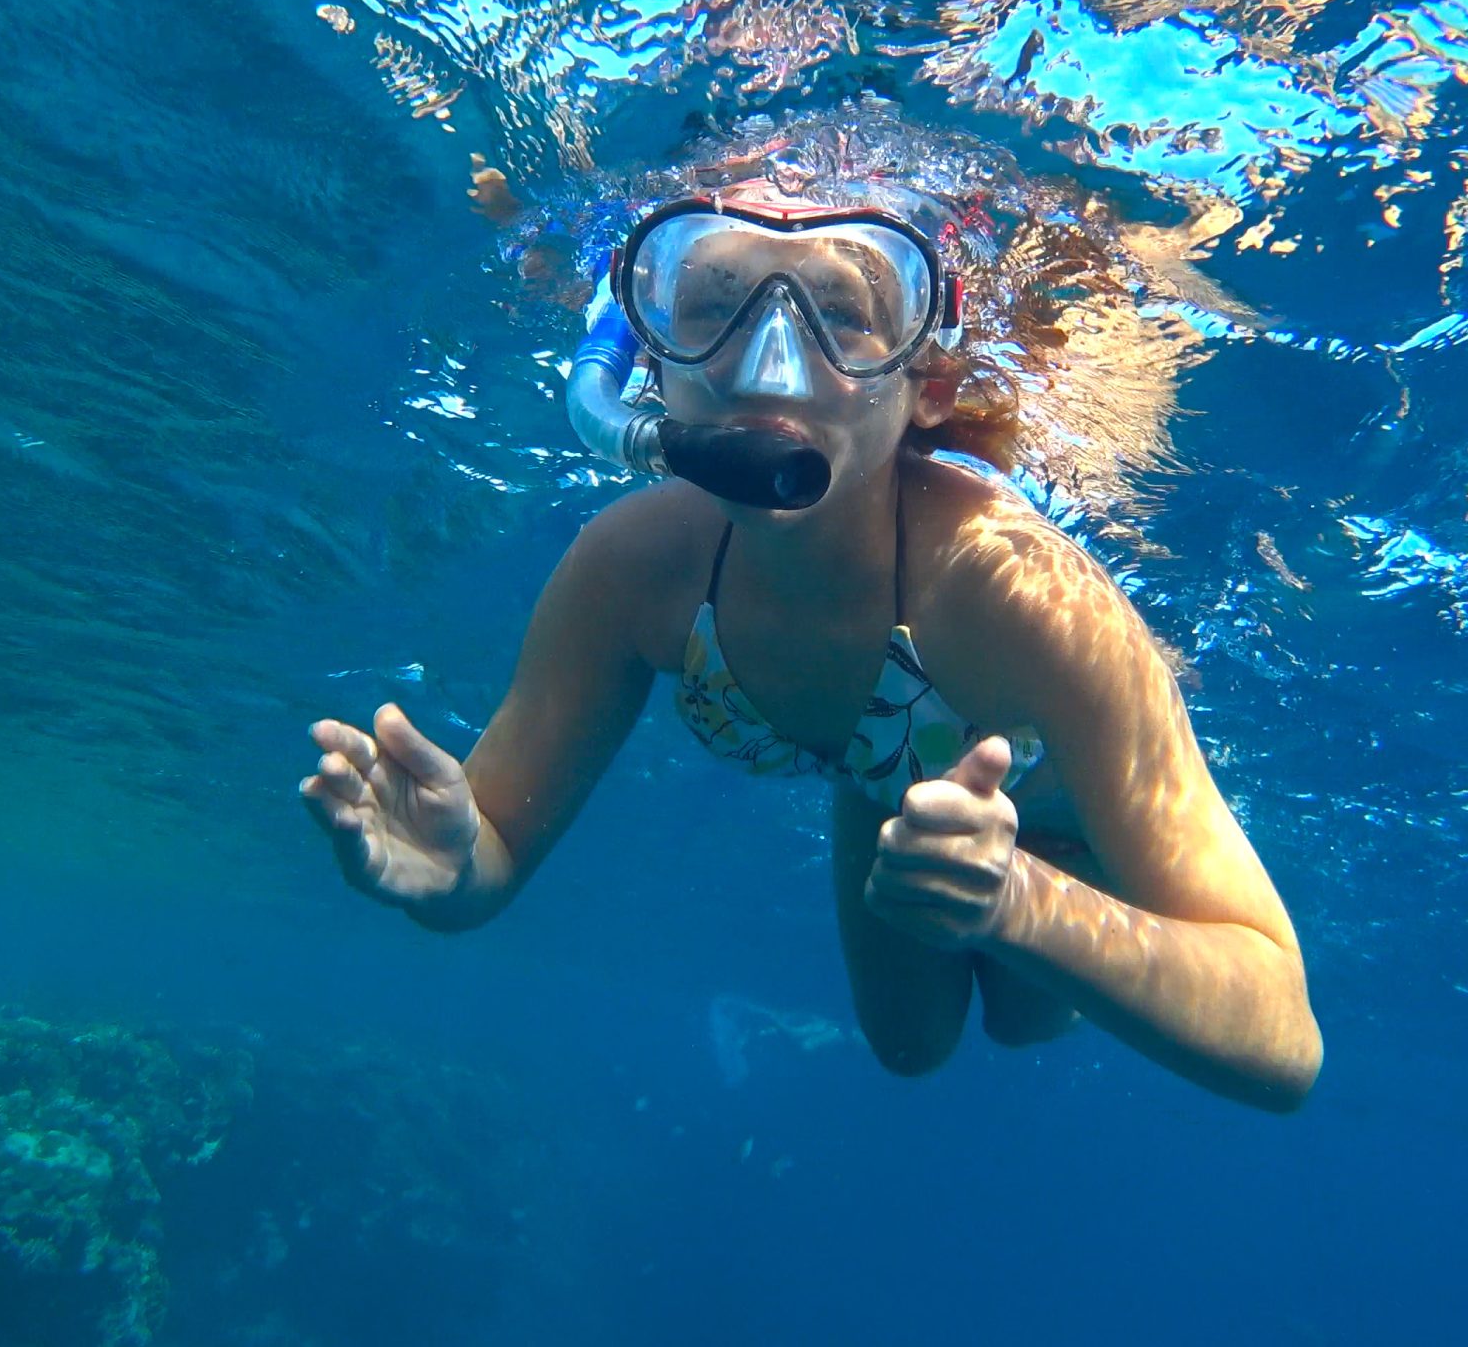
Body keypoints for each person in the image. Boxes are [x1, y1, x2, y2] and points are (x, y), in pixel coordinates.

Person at [301, 140, 1321, 1111]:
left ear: (929, 386)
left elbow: (1282, 1038)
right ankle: (919, 816)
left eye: (844, 311)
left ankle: (1044, 876)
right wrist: (444, 873)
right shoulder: (631, 571)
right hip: (885, 780)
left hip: (1039, 813)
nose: (770, 365)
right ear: (648, 363)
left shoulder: (1018, 593)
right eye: (711, 305)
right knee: (908, 1048)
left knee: (1019, 1018)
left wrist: (1016, 903)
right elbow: (489, 855)